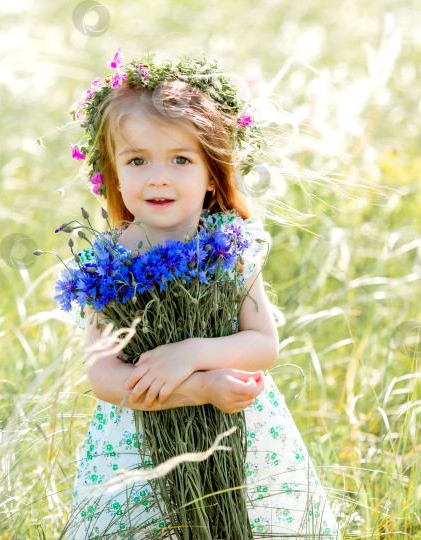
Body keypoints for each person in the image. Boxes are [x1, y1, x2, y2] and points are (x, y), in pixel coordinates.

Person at [57, 48, 341, 539]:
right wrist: (200, 388)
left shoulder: (228, 247)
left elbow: (262, 345)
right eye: (138, 160)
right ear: (114, 172)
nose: (159, 176)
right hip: (136, 444)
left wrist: (189, 354)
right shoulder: (107, 262)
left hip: (236, 434)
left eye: (181, 159)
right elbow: (103, 375)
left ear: (213, 172)